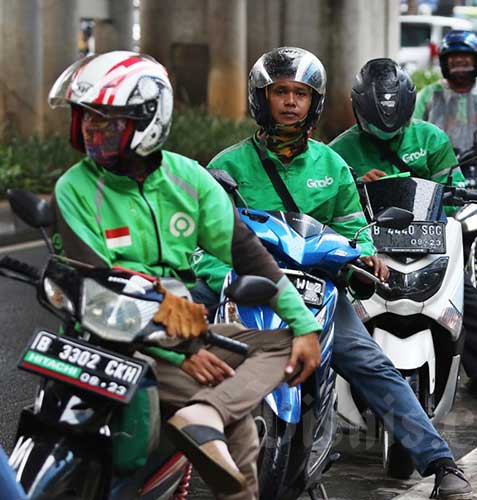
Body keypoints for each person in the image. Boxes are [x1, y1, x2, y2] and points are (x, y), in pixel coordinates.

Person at [191, 47, 473, 500]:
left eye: (300, 94)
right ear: (261, 99)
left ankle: (441, 463)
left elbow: (352, 226)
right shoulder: (227, 165)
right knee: (172, 348)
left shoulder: (331, 164)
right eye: (280, 91)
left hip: (314, 291)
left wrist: (362, 255)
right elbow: (202, 235)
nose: (289, 102)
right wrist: (218, 271)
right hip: (243, 287)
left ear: (313, 103)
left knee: (373, 365)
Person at [48, 51, 322, 500]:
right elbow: (98, 289)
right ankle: (211, 417)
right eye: (87, 120)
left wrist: (305, 325)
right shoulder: (74, 188)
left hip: (186, 327)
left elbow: (248, 256)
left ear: (149, 121)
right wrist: (182, 355)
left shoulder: (188, 178)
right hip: (110, 336)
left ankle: (206, 415)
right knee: (242, 437)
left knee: (283, 342)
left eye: (107, 122)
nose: (91, 131)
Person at [330, 57, 477, 421]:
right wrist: (358, 187)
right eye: (375, 123)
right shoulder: (339, 151)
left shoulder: (431, 138)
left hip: (428, 243)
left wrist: (425, 189)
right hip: (370, 249)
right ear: (358, 111)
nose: (385, 131)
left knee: (472, 310)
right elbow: (332, 202)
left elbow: (452, 193)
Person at [414, 30, 477, 209]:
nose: (459, 64)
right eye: (454, 60)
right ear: (445, 63)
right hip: (437, 176)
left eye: (465, 59)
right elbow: (413, 133)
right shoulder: (428, 96)